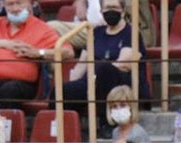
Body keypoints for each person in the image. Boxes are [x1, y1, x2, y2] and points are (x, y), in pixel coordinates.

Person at [61, 0, 151, 129]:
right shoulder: (96, 33)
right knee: (64, 89)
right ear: (101, 11)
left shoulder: (131, 32)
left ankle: (107, 125)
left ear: (123, 11)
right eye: (107, 8)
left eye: (114, 7)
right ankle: (63, 130)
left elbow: (124, 64)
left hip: (123, 83)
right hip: (94, 81)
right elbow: (82, 64)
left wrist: (97, 73)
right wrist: (75, 82)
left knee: (105, 69)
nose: (110, 11)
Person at [0, 0, 58, 105]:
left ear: (29, 4)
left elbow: (67, 52)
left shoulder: (43, 28)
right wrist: (4, 43)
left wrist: (38, 52)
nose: (15, 9)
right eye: (10, 4)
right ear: (4, 6)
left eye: (19, 3)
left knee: (8, 90)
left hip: (19, 82)